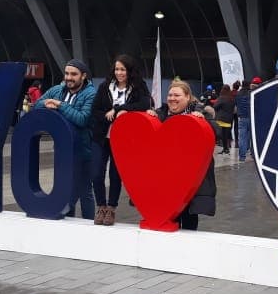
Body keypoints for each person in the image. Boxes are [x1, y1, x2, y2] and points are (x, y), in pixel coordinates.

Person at [90, 54, 151, 226]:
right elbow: (95, 111)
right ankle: (101, 206)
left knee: (115, 174)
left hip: (123, 139)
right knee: (96, 172)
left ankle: (111, 208)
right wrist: (107, 116)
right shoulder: (105, 86)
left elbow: (144, 104)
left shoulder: (138, 86)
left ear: (129, 71)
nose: (119, 73)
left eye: (123, 69)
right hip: (101, 137)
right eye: (117, 69)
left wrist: (120, 109)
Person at [150, 80, 216, 230]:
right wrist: (151, 117)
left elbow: (216, 132)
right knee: (168, 218)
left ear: (188, 97)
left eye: (177, 95)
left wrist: (202, 121)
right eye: (170, 95)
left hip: (190, 177)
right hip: (167, 178)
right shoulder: (160, 114)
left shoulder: (199, 113)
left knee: (188, 218)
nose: (172, 98)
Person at [35, 60, 96, 219]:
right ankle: (68, 222)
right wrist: (46, 103)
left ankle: (89, 224)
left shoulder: (91, 94)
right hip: (62, 150)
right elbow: (37, 105)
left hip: (84, 150)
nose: (69, 77)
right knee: (65, 190)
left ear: (83, 76)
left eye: (74, 74)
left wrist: (60, 105)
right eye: (67, 73)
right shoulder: (57, 90)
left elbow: (82, 119)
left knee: (85, 191)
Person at [213, 85, 235, 154]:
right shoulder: (231, 98)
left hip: (221, 119)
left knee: (221, 134)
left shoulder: (221, 98)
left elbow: (215, 106)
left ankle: (225, 148)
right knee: (226, 135)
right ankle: (226, 149)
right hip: (229, 119)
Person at [235, 80, 252, 161]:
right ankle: (251, 153)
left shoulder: (238, 94)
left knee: (242, 137)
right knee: (251, 136)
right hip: (251, 117)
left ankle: (242, 156)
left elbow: (236, 104)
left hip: (242, 118)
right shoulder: (251, 93)